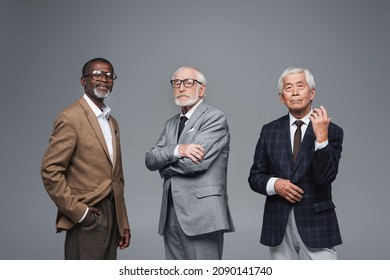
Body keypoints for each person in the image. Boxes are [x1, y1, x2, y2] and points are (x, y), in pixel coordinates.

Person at [248, 67, 343, 260]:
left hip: (317, 223)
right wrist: (275, 184)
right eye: (288, 88)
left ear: (312, 92)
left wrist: (321, 139)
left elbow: (326, 177)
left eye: (300, 86)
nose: (295, 92)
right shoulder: (269, 131)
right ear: (282, 97)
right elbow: (255, 177)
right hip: (278, 223)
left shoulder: (332, 131)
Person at [41, 57, 131, 259]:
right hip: (88, 215)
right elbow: (50, 171)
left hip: (113, 215)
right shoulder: (70, 117)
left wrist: (122, 222)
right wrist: (80, 212)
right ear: (83, 80)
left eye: (109, 75)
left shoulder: (112, 122)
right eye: (98, 74)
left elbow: (117, 178)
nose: (105, 79)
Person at [145, 66, 235, 260]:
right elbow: (150, 158)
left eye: (188, 82)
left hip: (203, 215)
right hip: (171, 214)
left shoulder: (214, 117)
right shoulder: (171, 123)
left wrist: (165, 167)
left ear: (201, 89)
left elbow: (195, 164)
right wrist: (179, 150)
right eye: (176, 83)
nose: (181, 87)